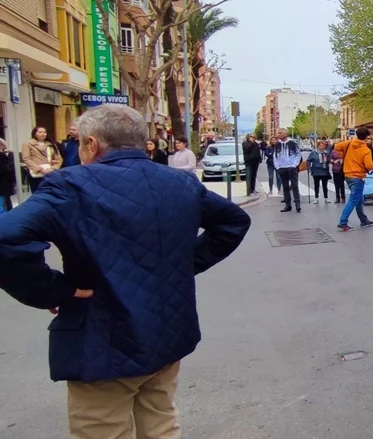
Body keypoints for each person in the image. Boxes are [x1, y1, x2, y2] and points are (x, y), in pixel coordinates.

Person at [0, 104, 250, 438]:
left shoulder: (69, 186)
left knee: (104, 430)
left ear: (92, 144)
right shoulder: (179, 182)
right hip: (167, 333)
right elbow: (232, 222)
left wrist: (52, 289)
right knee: (161, 425)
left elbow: (6, 238)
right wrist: (183, 263)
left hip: (102, 341)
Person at [337, 127, 373, 232]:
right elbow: (368, 166)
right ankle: (343, 222)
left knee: (358, 199)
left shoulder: (350, 143)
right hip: (358, 176)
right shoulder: (365, 150)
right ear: (367, 137)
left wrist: (343, 155)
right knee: (353, 199)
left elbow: (337, 146)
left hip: (348, 174)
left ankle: (363, 220)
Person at [21, 126, 63, 192]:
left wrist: (53, 168)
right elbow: (26, 159)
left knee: (50, 192)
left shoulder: (51, 144)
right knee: (38, 192)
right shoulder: (27, 144)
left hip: (50, 172)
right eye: (40, 132)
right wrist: (40, 169)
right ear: (35, 134)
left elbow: (59, 159)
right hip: (36, 173)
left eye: (44, 132)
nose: (43, 134)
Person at [273, 128, 303, 213]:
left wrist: (294, 165)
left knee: (294, 185)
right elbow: (275, 156)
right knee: (285, 186)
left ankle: (297, 203)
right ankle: (288, 204)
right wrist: (277, 166)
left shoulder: (292, 143)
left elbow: (298, 154)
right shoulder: (277, 144)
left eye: (280, 133)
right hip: (282, 167)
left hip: (291, 167)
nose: (278, 134)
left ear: (285, 134)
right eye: (278, 133)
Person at [0, 139, 15, 213]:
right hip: (4, 185)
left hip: (2, 185)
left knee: (3, 206)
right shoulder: (5, 155)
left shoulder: (2, 156)